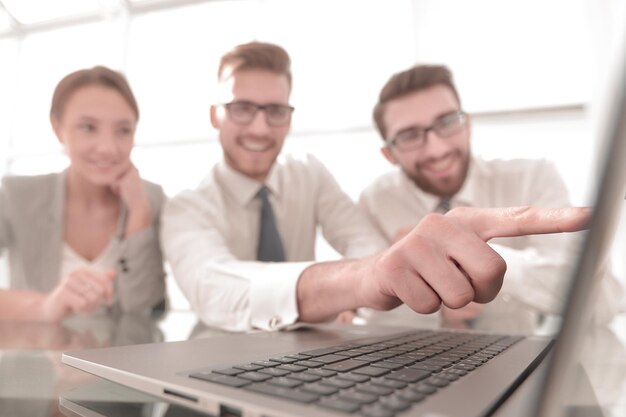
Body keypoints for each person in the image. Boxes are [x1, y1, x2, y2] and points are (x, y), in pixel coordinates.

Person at [161, 41, 591, 332]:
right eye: (241, 109)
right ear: (215, 115)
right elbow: (211, 286)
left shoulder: (309, 173)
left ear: (290, 117)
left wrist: (401, 268)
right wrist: (360, 280)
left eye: (275, 110)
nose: (259, 126)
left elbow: (366, 247)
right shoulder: (187, 206)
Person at [359, 64, 621, 329]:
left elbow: (598, 299)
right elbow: (367, 309)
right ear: (389, 155)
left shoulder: (533, 177)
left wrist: (461, 251)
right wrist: (432, 310)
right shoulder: (375, 203)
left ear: (467, 124)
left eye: (447, 122)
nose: (437, 149)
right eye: (409, 135)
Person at [0, 66, 166, 322]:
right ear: (58, 128)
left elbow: (142, 308)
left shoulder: (152, 200)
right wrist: (45, 307)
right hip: (36, 359)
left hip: (119, 360)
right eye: (88, 127)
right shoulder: (16, 196)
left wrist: (139, 213)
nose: (107, 148)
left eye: (123, 130)